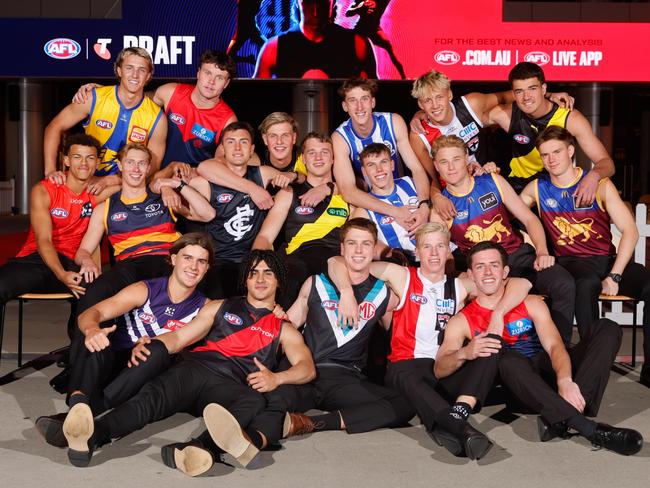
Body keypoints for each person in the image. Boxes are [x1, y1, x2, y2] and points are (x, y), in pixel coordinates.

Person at [59, 250, 315, 469]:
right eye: (253, 273)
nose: (260, 279)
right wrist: (154, 342)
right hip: (196, 369)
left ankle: (199, 449)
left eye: (268, 273)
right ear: (245, 280)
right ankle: (91, 436)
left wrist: (277, 378)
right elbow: (180, 338)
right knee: (149, 401)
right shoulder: (218, 306)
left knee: (253, 401)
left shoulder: (284, 329)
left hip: (231, 386)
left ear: (279, 281)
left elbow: (307, 368)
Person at [328, 222, 532, 459]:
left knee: (488, 348)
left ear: (448, 251)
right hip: (405, 366)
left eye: (439, 247)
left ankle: (449, 426)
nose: (434, 254)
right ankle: (463, 429)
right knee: (411, 379)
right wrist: (345, 292)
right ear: (417, 252)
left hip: (440, 368)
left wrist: (499, 313)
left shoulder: (461, 285)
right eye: (427, 247)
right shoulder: (402, 276)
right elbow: (337, 262)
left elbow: (522, 283)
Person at [437, 241, 643, 456]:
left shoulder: (531, 302)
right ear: (470, 274)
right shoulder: (462, 320)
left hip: (547, 373)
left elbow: (554, 346)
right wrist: (465, 352)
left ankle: (566, 413)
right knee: (506, 356)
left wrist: (564, 381)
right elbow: (440, 368)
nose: (488, 272)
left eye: (494, 265)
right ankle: (585, 427)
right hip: (519, 387)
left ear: (505, 271)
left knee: (607, 327)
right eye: (480, 267)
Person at [36, 233, 213, 447]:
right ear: (174, 259)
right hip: (113, 364)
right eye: (187, 258)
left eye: (201, 261)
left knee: (155, 351)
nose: (193, 266)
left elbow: (178, 341)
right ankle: (80, 412)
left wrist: (153, 341)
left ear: (207, 269)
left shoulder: (205, 307)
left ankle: (77, 413)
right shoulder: (145, 289)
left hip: (148, 370)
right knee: (99, 338)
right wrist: (92, 330)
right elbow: (90, 314)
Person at [520, 126, 650, 387]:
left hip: (607, 262)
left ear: (570, 151)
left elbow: (631, 232)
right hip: (571, 263)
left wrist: (615, 274)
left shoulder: (598, 184)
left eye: (557, 151)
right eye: (545, 155)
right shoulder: (537, 188)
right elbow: (515, 219)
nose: (552, 159)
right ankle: (585, 366)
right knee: (585, 284)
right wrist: (537, 248)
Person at [434, 135, 576, 344]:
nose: (451, 167)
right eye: (444, 162)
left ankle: (559, 351)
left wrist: (542, 251)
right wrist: (457, 272)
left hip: (517, 256)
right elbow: (441, 254)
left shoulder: (493, 181)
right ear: (436, 166)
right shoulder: (441, 208)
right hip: (484, 271)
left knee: (563, 283)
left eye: (456, 159)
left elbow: (529, 218)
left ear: (466, 158)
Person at [408, 69, 574, 219]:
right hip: (453, 197)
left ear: (449, 95)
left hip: (489, 180)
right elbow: (430, 178)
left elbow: (508, 96)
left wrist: (548, 95)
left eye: (439, 97)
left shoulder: (471, 104)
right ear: (420, 104)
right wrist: (437, 197)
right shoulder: (419, 135)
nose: (435, 105)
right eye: (428, 101)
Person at [0, 134, 117, 337]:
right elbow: (43, 241)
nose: (83, 163)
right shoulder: (44, 190)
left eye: (90, 158)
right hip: (36, 260)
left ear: (98, 162)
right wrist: (61, 274)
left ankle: (76, 361)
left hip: (74, 262)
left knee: (100, 298)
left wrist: (110, 178)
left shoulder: (97, 193)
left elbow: (138, 180)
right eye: (77, 157)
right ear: (66, 160)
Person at [178, 122, 288, 298]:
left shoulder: (263, 174)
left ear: (252, 149)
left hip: (252, 259)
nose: (237, 148)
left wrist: (292, 175)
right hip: (218, 261)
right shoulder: (204, 182)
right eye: (230, 142)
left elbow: (295, 181)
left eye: (243, 142)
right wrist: (168, 187)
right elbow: (179, 206)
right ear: (222, 148)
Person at [489, 62, 615, 199]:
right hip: (517, 192)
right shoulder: (506, 114)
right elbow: (471, 109)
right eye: (519, 91)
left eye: (532, 89)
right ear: (513, 94)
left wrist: (592, 177)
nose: (526, 97)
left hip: (554, 194)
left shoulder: (570, 118)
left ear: (543, 89)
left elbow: (607, 163)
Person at [253, 132, 348, 307]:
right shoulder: (289, 193)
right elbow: (265, 237)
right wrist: (256, 265)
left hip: (336, 261)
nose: (318, 158)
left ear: (334, 158)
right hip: (298, 261)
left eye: (325, 152)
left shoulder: (347, 193)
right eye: (312, 153)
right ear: (303, 158)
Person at [44, 47, 166, 184]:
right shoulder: (93, 98)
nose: (135, 75)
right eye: (129, 68)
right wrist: (50, 170)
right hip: (86, 181)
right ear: (119, 71)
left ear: (149, 76)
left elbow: (153, 167)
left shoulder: (157, 117)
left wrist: (111, 180)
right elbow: (54, 126)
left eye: (142, 70)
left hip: (123, 186)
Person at [332, 78, 431, 238]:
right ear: (345, 106)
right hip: (368, 199)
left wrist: (424, 206)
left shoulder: (393, 122)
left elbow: (417, 169)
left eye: (364, 99)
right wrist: (395, 211)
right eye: (352, 101)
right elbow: (348, 191)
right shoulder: (340, 137)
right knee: (354, 228)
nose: (359, 107)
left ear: (373, 102)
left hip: (402, 193)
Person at [254, 0, 377, 78]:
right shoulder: (274, 48)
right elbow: (258, 97)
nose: (315, 12)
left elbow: (375, 95)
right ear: (297, 3)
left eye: (321, 2)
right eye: (308, 2)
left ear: (332, 2)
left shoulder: (357, 44)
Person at [351, 142, 425, 263]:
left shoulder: (410, 182)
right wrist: (397, 257)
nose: (379, 169)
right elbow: (364, 246)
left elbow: (432, 204)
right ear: (364, 172)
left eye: (383, 162)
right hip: (401, 266)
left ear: (392, 165)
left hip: (435, 255)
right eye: (371, 165)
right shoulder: (363, 211)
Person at [345, 0, 405, 79]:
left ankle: (404, 77)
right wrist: (359, 7)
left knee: (390, 48)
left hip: (374, 29)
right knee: (355, 54)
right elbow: (348, 13)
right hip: (360, 29)